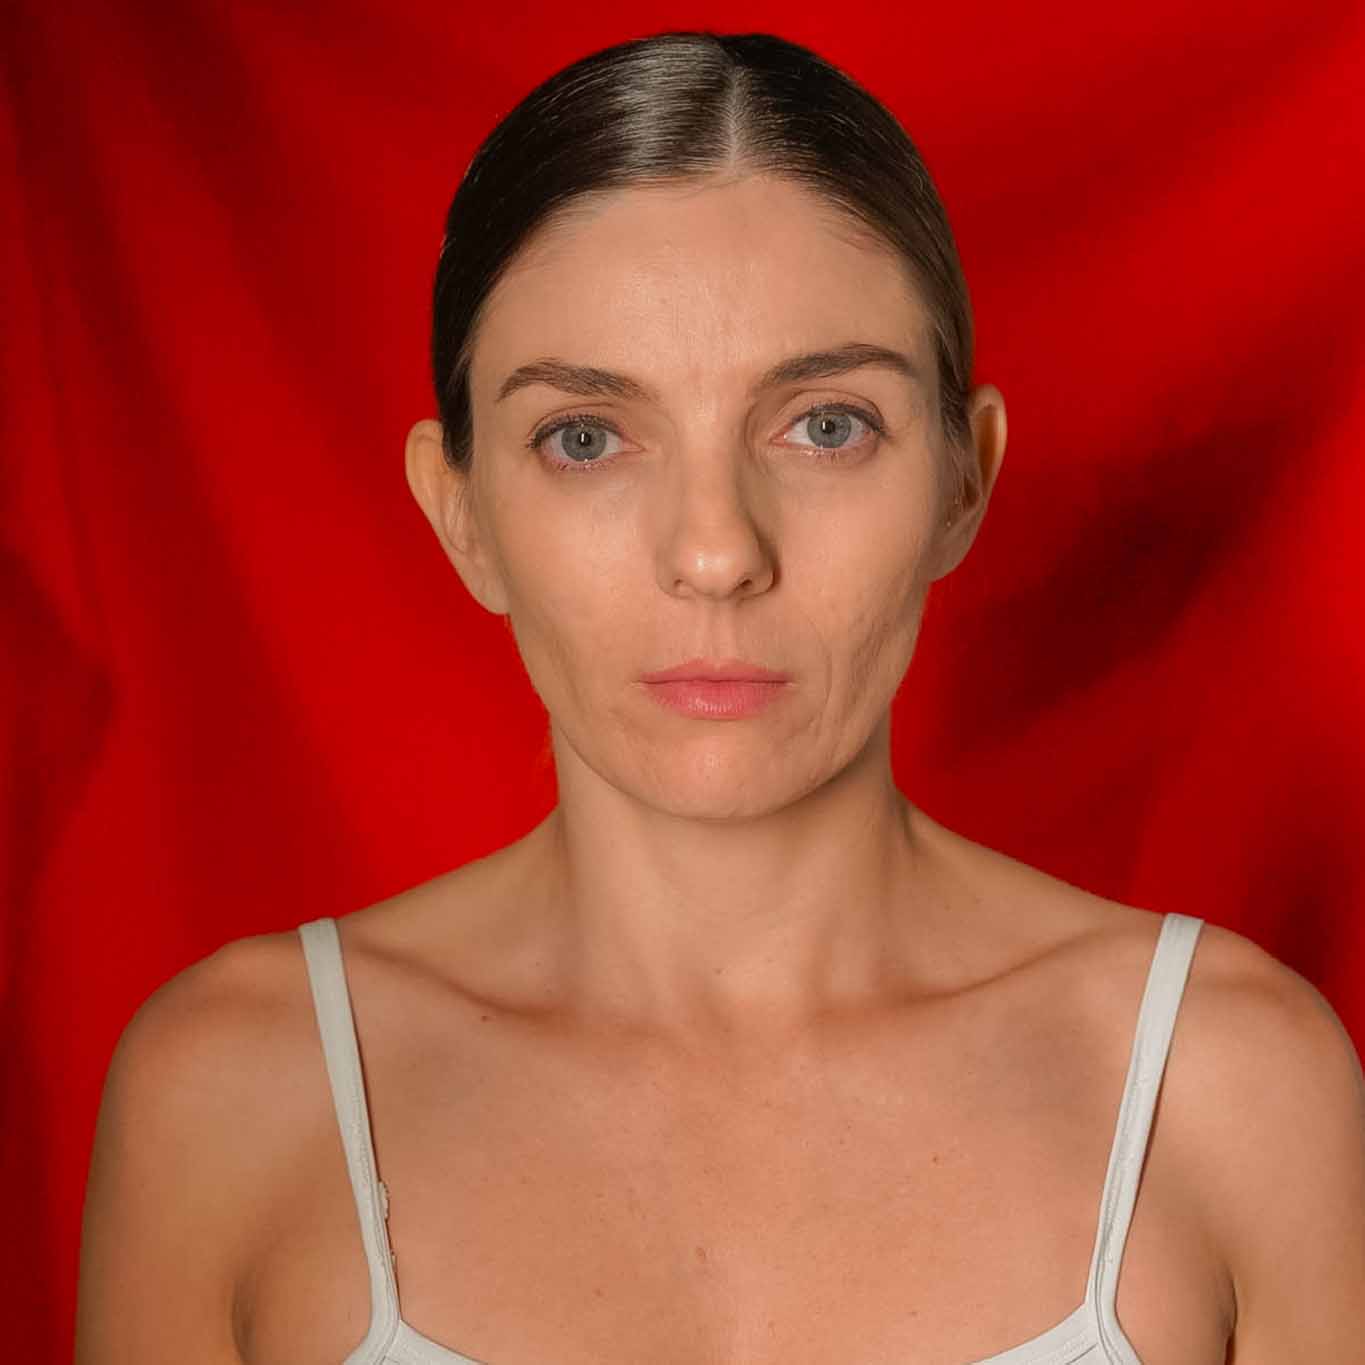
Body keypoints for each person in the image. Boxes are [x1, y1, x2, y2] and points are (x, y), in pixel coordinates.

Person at [75, 29, 1364, 1365]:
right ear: (460, 515)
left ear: (962, 479)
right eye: (586, 437)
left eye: (825, 424)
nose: (714, 551)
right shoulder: (233, 1097)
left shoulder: (1229, 1086)